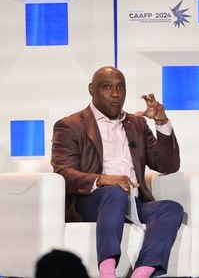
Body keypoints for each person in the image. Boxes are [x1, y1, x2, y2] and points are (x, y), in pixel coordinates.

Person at [51, 66, 183, 278]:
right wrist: (103, 180)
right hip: (92, 202)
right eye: (107, 87)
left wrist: (161, 121)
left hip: (133, 203)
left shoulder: (136, 124)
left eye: (120, 87)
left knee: (171, 209)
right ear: (91, 89)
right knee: (115, 192)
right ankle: (107, 272)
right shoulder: (70, 125)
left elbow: (168, 165)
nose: (115, 94)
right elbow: (63, 172)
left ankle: (141, 273)